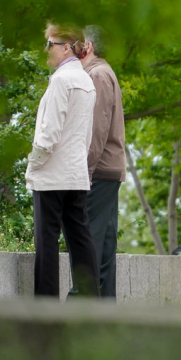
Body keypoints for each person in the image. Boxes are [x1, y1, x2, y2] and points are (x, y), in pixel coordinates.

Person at [26, 23, 100, 298]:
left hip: (52, 175)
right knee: (81, 240)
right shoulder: (86, 82)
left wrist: (33, 165)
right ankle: (91, 304)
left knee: (46, 243)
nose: (46, 50)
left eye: (50, 44)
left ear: (66, 47)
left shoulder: (60, 80)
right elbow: (87, 135)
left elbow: (49, 134)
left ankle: (45, 311)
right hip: (76, 175)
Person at [73, 24, 126, 299]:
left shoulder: (97, 75)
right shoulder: (104, 72)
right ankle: (103, 314)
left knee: (87, 242)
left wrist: (85, 170)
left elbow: (96, 128)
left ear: (89, 46)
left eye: (78, 44)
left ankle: (78, 307)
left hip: (98, 171)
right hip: (108, 170)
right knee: (104, 246)